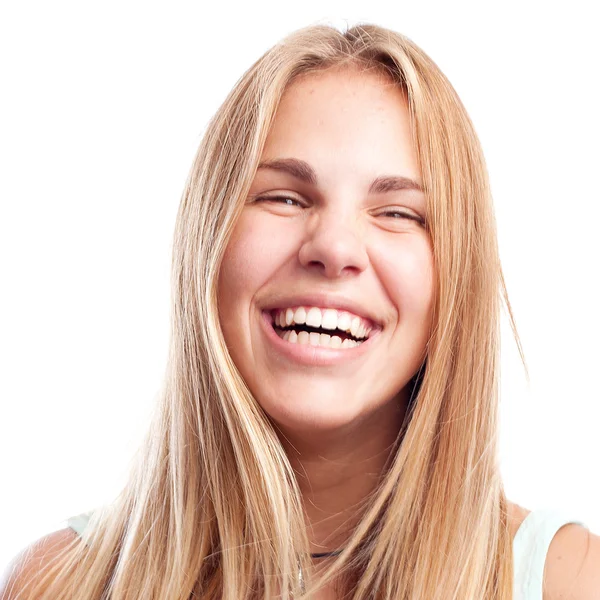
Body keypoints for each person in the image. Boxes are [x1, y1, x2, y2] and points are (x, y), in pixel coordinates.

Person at [1, 22, 598, 600]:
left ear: (456, 275)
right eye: (284, 197)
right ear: (208, 240)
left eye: (398, 212)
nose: (334, 249)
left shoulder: (569, 583)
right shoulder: (57, 584)